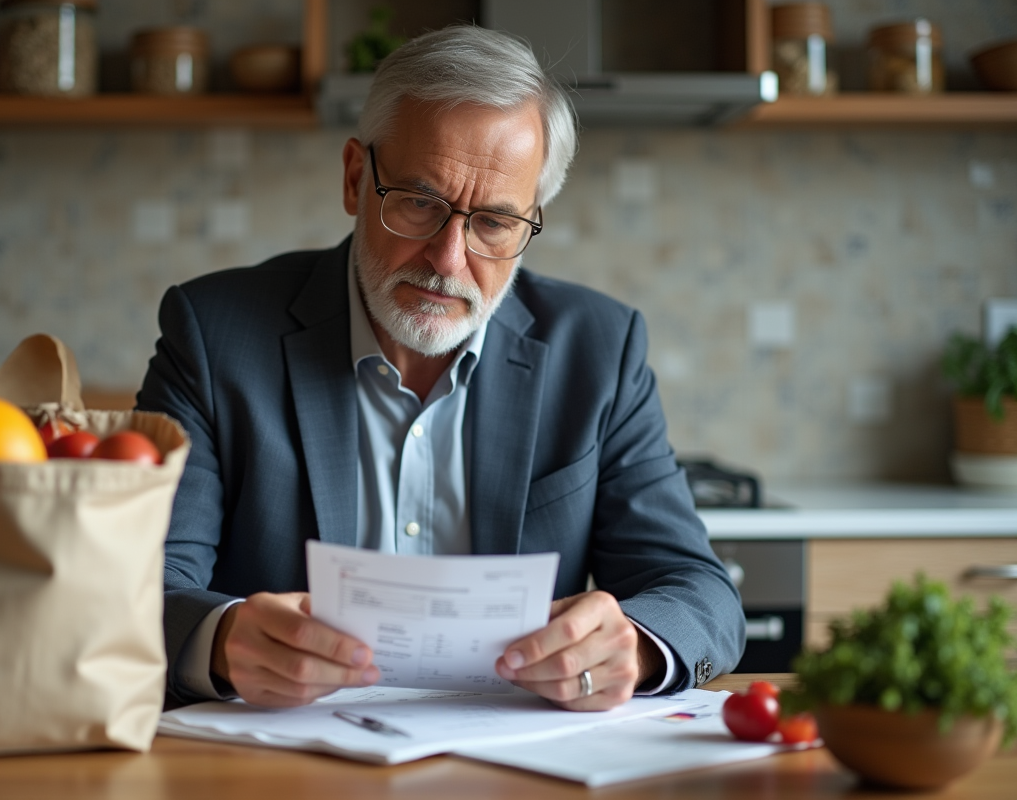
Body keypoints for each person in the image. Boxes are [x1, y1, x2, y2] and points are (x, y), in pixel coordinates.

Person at [138, 25, 744, 712]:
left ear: (529, 222)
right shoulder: (213, 334)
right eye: (420, 203)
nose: (448, 260)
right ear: (355, 178)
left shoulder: (599, 351)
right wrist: (220, 642)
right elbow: (140, 588)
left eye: (493, 223)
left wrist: (631, 644)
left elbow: (701, 594)